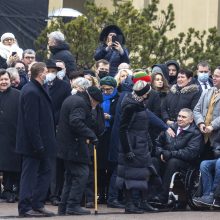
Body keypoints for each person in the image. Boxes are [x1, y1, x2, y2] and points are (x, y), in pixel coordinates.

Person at [116, 80, 174, 214]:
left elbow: (149, 115)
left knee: (145, 174)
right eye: (148, 92)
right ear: (144, 94)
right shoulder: (130, 106)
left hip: (141, 144)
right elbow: (123, 129)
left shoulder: (138, 103)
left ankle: (143, 202)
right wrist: (127, 150)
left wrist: (165, 127)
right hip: (132, 145)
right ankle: (130, 204)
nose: (149, 94)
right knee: (130, 175)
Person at [16, 62, 56, 217]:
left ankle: (37, 204)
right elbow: (31, 122)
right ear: (40, 74)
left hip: (43, 142)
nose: (48, 74)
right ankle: (25, 207)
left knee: (45, 172)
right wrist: (38, 144)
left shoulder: (38, 89)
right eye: (47, 71)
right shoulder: (31, 91)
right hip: (33, 144)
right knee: (30, 175)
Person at [56, 86, 103, 215]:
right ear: (92, 99)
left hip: (66, 145)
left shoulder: (72, 99)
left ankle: (64, 206)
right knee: (81, 174)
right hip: (74, 146)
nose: (95, 107)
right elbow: (76, 121)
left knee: (70, 176)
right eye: (96, 104)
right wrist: (91, 135)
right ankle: (73, 205)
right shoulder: (81, 103)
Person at [153, 108, 203, 204]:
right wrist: (161, 153)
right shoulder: (170, 128)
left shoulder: (195, 133)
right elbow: (157, 143)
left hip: (185, 164)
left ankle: (163, 196)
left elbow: (190, 153)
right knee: (154, 160)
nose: (180, 119)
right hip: (166, 157)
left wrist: (170, 154)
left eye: (183, 117)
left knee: (173, 162)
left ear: (191, 120)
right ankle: (151, 195)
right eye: (179, 116)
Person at [97, 76, 119, 205]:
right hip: (101, 135)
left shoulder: (118, 98)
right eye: (103, 89)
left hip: (112, 135)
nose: (105, 92)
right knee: (100, 166)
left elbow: (120, 115)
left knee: (111, 165)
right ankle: (101, 193)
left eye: (108, 89)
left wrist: (110, 117)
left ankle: (111, 194)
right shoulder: (98, 98)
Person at [0, 69, 21, 203]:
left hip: (12, 136)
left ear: (10, 80)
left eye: (5, 79)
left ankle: (9, 191)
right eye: (1, 79)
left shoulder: (18, 95)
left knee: (10, 165)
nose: (3, 82)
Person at [193, 66, 220, 159]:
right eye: (213, 75)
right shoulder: (206, 92)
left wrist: (212, 126)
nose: (214, 78)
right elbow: (196, 110)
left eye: (217, 76)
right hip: (202, 135)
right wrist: (200, 123)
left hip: (217, 138)